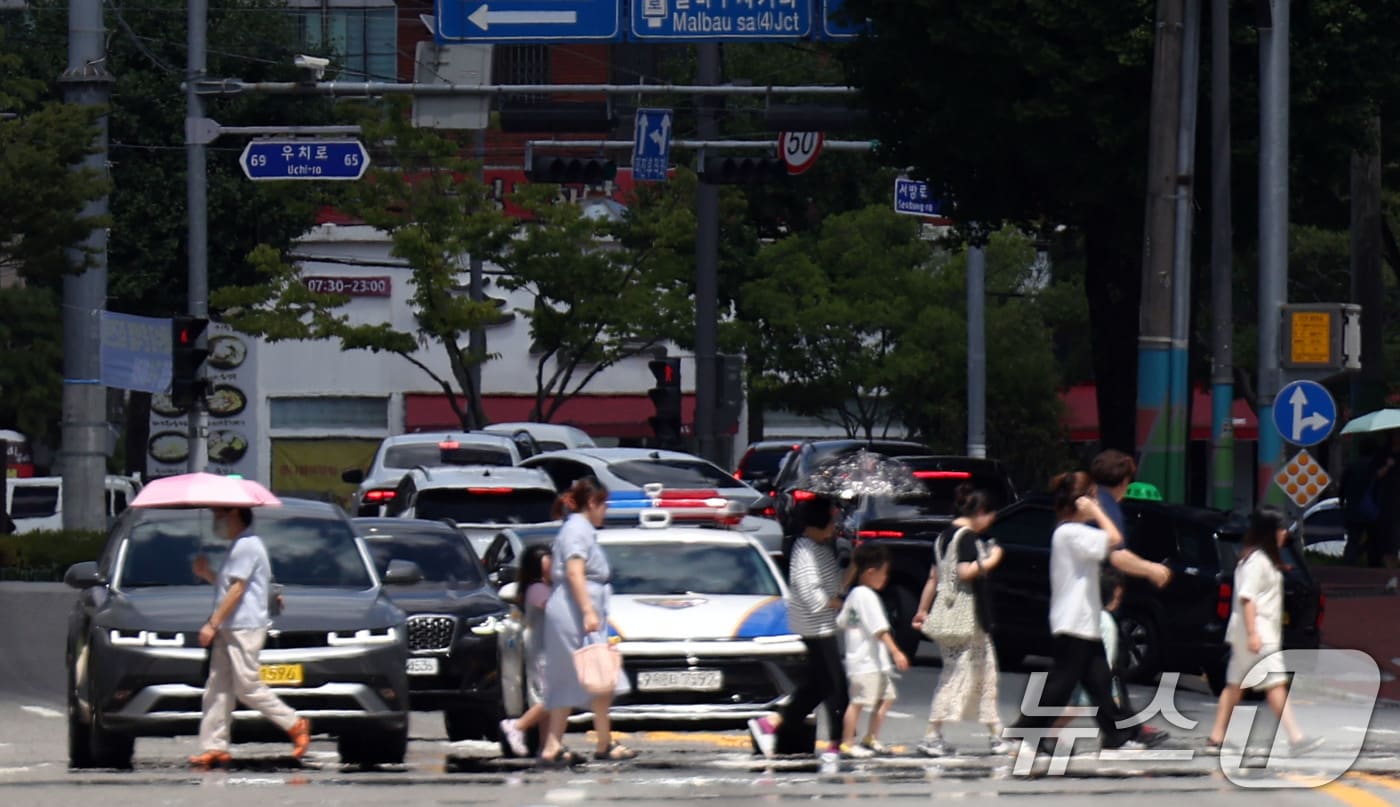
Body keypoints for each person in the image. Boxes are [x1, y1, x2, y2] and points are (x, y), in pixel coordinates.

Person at [1008, 471, 1172, 752]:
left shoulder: (1074, 533)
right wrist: (1096, 511)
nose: (1097, 503)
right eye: (1093, 498)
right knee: (1061, 683)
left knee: (1099, 682)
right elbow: (1114, 538)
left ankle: (1119, 735)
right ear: (1081, 502)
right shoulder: (1070, 533)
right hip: (1074, 620)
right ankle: (1023, 733)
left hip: (1084, 620)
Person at [189, 506, 310, 768]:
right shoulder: (239, 545)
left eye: (219, 515)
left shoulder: (246, 545)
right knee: (217, 687)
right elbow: (227, 587)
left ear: (234, 514)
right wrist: (206, 573)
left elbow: (237, 589)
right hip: (231, 626)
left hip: (244, 626)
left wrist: (212, 624)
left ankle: (294, 723)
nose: (216, 521)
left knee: (247, 686)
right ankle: (214, 746)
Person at [1204, 506, 1323, 755]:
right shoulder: (1257, 562)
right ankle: (1296, 738)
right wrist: (1253, 633)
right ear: (1270, 531)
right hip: (1258, 632)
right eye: (1280, 529)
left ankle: (1216, 737)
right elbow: (1247, 598)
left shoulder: (1256, 559)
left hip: (1250, 632)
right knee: (1275, 684)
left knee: (1235, 685)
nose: (1284, 534)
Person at [539, 477, 634, 767]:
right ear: (592, 503)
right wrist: (588, 611)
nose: (606, 511)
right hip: (576, 610)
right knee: (599, 674)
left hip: (577, 608)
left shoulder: (579, 529)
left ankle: (557, 745)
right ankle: (600, 742)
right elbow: (574, 572)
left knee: (577, 675)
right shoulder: (577, 530)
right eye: (604, 505)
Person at [748, 495, 847, 761]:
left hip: (824, 624)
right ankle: (835, 743)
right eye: (831, 522)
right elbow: (810, 593)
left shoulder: (820, 547)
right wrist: (836, 602)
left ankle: (773, 724)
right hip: (815, 627)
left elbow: (832, 583)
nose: (834, 527)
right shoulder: (804, 551)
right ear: (817, 523)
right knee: (835, 688)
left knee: (819, 686)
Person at [912, 486, 1009, 757]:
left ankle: (995, 733)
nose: (989, 523)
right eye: (990, 517)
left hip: (949, 614)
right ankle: (932, 735)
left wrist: (922, 610)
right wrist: (992, 559)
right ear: (980, 512)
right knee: (961, 675)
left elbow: (934, 578)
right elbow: (965, 572)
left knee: (981, 673)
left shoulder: (942, 537)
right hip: (968, 617)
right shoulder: (967, 538)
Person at [836, 544, 909, 758]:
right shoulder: (865, 596)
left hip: (872, 662)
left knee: (886, 698)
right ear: (870, 572)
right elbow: (879, 629)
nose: (886, 578)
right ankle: (848, 742)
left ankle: (871, 737)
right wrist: (896, 651)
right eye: (884, 573)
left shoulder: (854, 595)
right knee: (858, 702)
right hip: (865, 662)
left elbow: (842, 621)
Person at [1053, 568, 1128, 735]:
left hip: (1087, 672)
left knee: (1083, 707)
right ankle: (1117, 736)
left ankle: (1115, 736)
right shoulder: (1106, 622)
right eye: (1118, 597)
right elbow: (1107, 653)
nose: (1119, 601)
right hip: (1097, 675)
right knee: (1086, 706)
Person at [499, 543, 552, 757]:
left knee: (548, 700)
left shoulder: (544, 587)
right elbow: (557, 609)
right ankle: (517, 726)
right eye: (548, 561)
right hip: (542, 651)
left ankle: (547, 746)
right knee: (554, 698)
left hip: (547, 648)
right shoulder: (538, 589)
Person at [1338, 438, 1379, 568]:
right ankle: (1373, 565)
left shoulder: (1352, 467)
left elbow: (1342, 487)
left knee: (1352, 540)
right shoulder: (1376, 467)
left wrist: (1341, 501)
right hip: (1373, 509)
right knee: (1375, 539)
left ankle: (1349, 564)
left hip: (1353, 509)